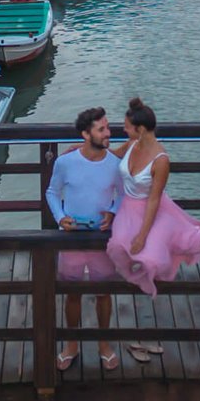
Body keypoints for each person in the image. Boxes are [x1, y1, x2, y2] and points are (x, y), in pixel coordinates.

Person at [108, 98, 200, 299]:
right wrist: (81, 149)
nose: (123, 129)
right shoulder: (131, 144)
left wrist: (142, 236)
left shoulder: (161, 160)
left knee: (153, 259)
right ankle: (131, 277)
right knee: (117, 246)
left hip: (152, 209)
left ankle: (152, 278)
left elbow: (154, 200)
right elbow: (110, 156)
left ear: (142, 129)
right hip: (128, 208)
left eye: (127, 127)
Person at [44, 106, 122, 370]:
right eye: (102, 129)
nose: (108, 133)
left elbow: (122, 195)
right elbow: (52, 192)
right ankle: (72, 343)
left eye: (107, 127)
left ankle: (103, 343)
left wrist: (112, 212)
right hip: (72, 237)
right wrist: (60, 217)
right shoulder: (65, 162)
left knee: (104, 292)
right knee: (72, 293)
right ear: (86, 134)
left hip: (101, 237)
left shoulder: (115, 164)